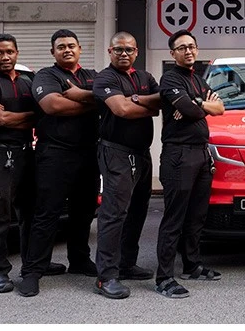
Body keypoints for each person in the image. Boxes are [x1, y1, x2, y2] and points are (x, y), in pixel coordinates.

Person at [0, 34, 65, 293]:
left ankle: (35, 264)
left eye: (9, 52)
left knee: (32, 214)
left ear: (17, 53)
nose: (5, 57)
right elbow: (0, 120)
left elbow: (44, 115)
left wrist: (19, 116)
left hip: (27, 154)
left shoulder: (29, 83)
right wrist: (33, 116)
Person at [16, 29, 100, 297]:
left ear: (80, 49)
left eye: (72, 45)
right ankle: (32, 271)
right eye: (61, 46)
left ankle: (79, 260)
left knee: (84, 212)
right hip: (55, 154)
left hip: (88, 154)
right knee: (46, 214)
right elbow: (53, 106)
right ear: (53, 52)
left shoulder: (92, 76)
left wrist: (79, 95)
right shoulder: (46, 76)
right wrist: (93, 102)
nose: (67, 50)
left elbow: (111, 99)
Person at [154, 29, 225, 299]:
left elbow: (220, 108)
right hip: (178, 155)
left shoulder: (198, 79)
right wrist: (200, 105)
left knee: (196, 216)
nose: (188, 51)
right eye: (182, 48)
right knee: (175, 218)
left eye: (192, 46)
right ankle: (164, 277)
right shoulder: (170, 78)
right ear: (173, 54)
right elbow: (197, 110)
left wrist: (196, 103)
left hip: (201, 154)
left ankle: (191, 265)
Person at [91, 32, 161, 299]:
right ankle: (106, 276)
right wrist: (141, 103)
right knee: (113, 214)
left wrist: (134, 101)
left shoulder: (145, 77)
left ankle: (126, 264)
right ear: (110, 51)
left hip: (141, 153)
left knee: (137, 211)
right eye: (118, 49)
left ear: (136, 52)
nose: (124, 54)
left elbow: (159, 104)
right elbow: (120, 110)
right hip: (115, 153)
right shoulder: (105, 78)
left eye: (129, 50)